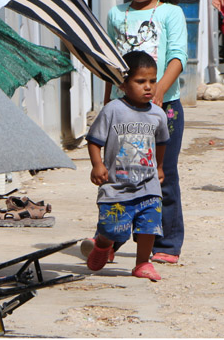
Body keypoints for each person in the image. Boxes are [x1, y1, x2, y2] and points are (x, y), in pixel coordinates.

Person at [104, 0, 197, 264]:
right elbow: (111, 65)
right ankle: (110, 238)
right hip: (123, 113)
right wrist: (107, 104)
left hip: (164, 111)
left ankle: (167, 243)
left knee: (162, 174)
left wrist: (159, 91)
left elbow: (177, 57)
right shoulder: (116, 15)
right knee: (120, 176)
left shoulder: (171, 13)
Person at [85, 50, 170, 281]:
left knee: (149, 225)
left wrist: (160, 167)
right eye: (140, 81)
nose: (148, 87)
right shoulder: (113, 110)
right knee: (112, 228)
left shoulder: (158, 114)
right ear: (123, 84)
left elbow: (161, 142)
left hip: (148, 185)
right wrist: (97, 165)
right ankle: (103, 245)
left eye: (152, 81)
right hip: (116, 186)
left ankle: (142, 263)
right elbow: (94, 140)